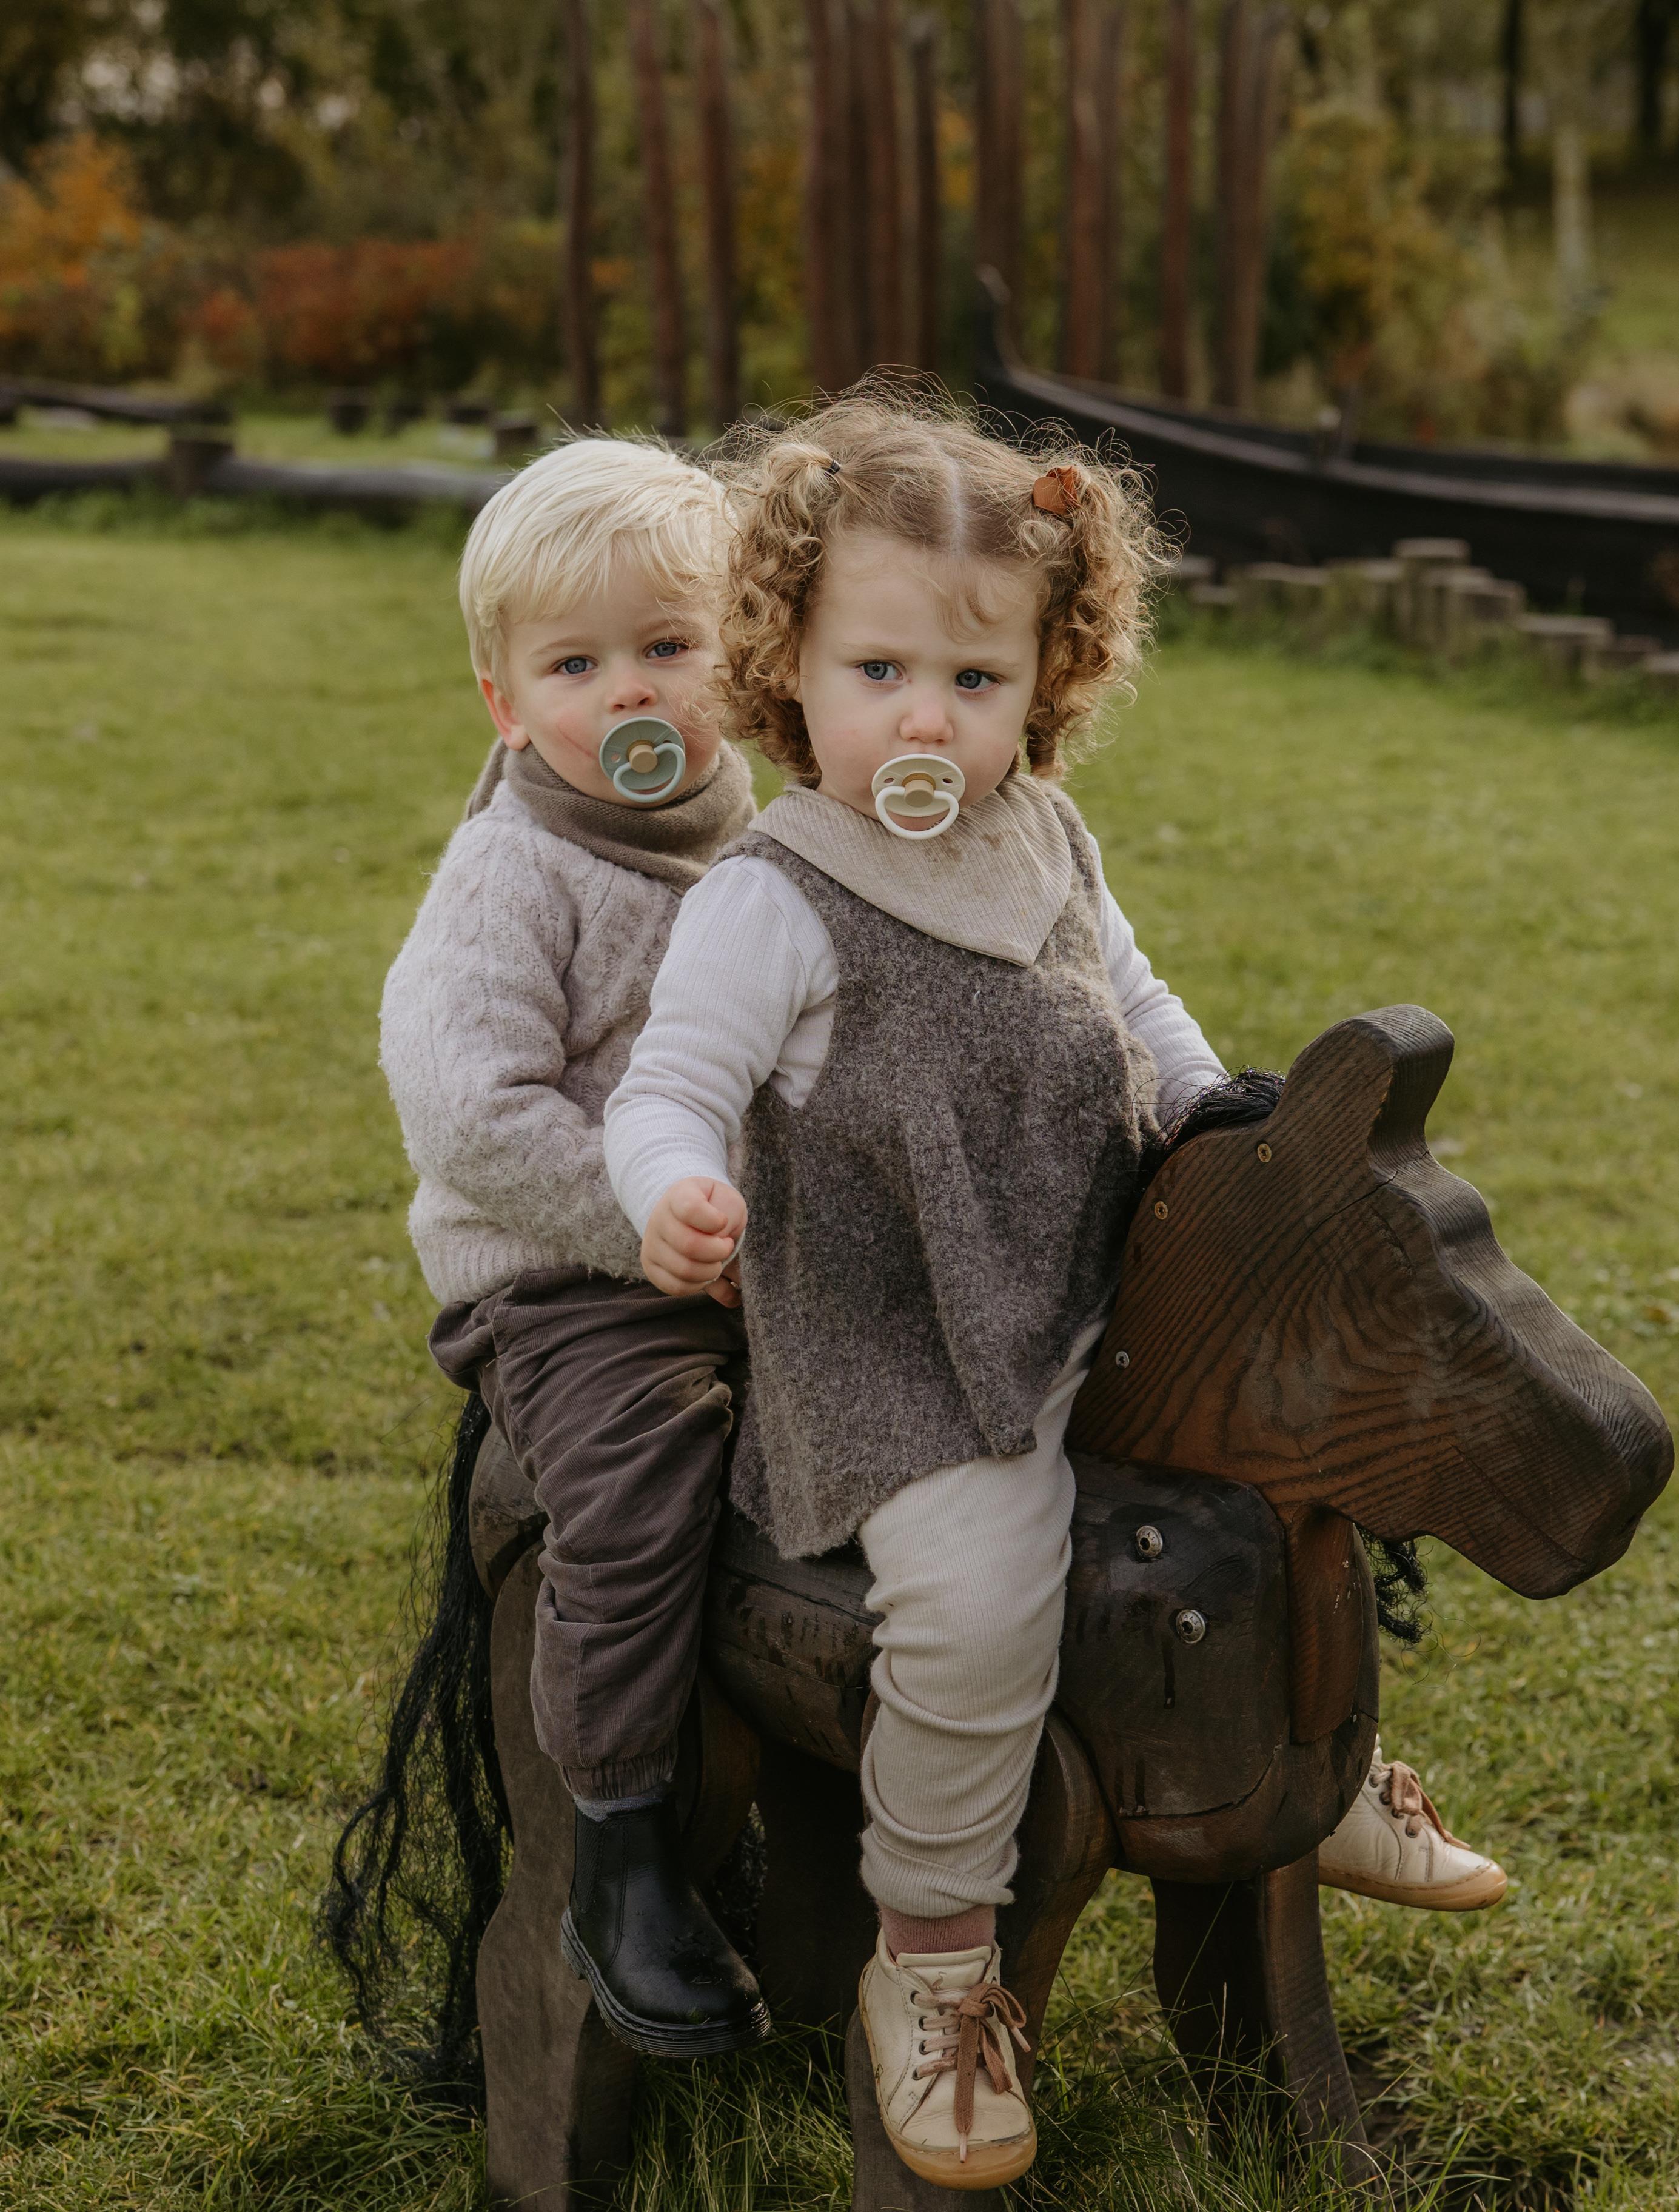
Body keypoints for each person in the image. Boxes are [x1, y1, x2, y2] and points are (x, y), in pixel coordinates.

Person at [603, 393, 1501, 2191]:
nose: (926, 721)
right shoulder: (776, 898)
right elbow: (669, 1083)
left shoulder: (1048, 842)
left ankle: (1316, 1784)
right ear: (789, 664)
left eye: (978, 683)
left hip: (1086, 1298)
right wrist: (675, 1188)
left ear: (1050, 677)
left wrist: (1212, 1111)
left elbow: (1144, 1016)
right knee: (984, 1596)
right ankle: (929, 1967)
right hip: (905, 1362)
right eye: (878, 673)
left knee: (1291, 1466)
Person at [378, 435, 769, 2059]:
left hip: (760, 1254)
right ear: (507, 702)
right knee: (646, 1469)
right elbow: (471, 1111)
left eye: (673, 650)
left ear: (743, 659)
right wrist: (640, 1222)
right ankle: (617, 1842)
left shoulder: (772, 841)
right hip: (566, 1283)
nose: (637, 697)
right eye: (579, 663)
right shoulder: (515, 873)